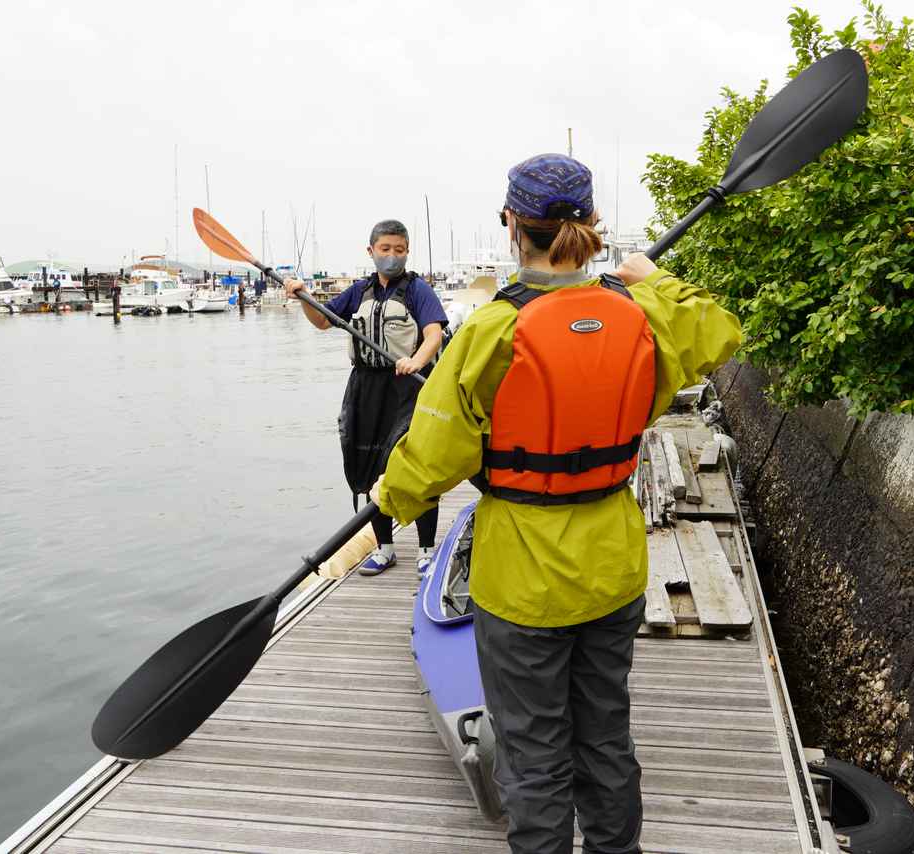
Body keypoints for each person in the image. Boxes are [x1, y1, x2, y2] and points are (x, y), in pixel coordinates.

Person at [373, 153, 743, 854]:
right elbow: (719, 331)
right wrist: (651, 277)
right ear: (592, 225)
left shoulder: (491, 329)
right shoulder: (640, 314)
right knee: (604, 734)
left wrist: (387, 500)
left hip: (521, 580)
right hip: (612, 566)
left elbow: (436, 448)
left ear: (513, 224)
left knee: (533, 750)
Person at [285, 219, 448, 576]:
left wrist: (415, 360)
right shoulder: (360, 291)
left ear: (407, 252)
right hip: (365, 388)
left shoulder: (418, 290)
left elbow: (434, 335)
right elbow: (322, 321)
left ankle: (425, 551)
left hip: (408, 387)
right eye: (385, 249)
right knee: (371, 470)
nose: (392, 256)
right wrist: (302, 298)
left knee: (412, 467)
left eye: (400, 250)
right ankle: (385, 548)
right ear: (371, 251)